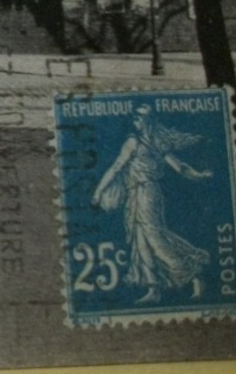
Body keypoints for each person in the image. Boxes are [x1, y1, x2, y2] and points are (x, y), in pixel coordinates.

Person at [91, 105, 212, 303]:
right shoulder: (143, 141)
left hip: (146, 194)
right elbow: (116, 167)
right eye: (134, 118)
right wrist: (99, 191)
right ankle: (153, 288)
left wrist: (198, 175)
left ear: (148, 120)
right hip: (136, 195)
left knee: (155, 238)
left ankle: (192, 275)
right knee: (141, 241)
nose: (135, 121)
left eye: (138, 118)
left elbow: (179, 167)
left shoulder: (143, 142)